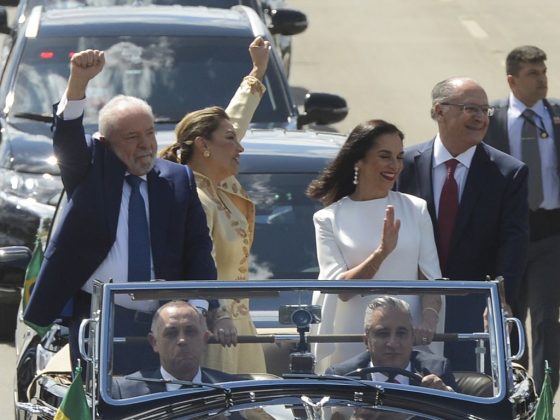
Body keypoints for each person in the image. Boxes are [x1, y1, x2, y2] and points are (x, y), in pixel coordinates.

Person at [22, 49, 230, 373]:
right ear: (106, 143)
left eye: (149, 132)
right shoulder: (90, 172)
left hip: (164, 325)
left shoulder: (178, 180)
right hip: (100, 321)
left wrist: (198, 307)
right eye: (132, 137)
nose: (146, 144)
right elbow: (67, 138)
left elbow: (198, 249)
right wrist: (78, 82)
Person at [395, 77, 529, 371]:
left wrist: (501, 301)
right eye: (471, 108)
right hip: (411, 308)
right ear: (439, 111)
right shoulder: (404, 165)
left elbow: (513, 243)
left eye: (485, 110)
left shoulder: (508, 173)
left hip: (473, 308)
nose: (481, 118)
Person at [158, 37, 271, 374]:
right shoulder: (191, 196)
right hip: (209, 332)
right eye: (230, 140)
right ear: (203, 146)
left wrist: (257, 73)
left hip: (240, 327)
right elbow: (193, 266)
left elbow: (232, 122)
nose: (240, 147)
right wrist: (217, 314)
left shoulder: (220, 186)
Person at [306, 119, 444, 371]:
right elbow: (341, 290)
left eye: (399, 157)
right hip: (351, 340)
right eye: (384, 156)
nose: (395, 166)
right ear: (359, 160)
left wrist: (428, 320)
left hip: (404, 340)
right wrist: (381, 253)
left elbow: (431, 280)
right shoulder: (328, 218)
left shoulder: (416, 209)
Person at [485, 45, 560, 395]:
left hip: (550, 234)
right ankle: (517, 388)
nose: (542, 79)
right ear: (512, 80)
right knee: (511, 317)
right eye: (533, 73)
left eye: (543, 71)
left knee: (547, 319)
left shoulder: (557, 116)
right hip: (509, 235)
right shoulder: (492, 120)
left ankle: (545, 394)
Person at [325, 296, 456, 392]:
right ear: (366, 340)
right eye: (383, 334)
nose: (393, 343)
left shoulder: (437, 370)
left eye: (401, 333)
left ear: (412, 338)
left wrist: (446, 398)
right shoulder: (342, 377)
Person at [112, 301, 237, 399]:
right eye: (171, 333)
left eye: (190, 332)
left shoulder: (233, 389)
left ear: (204, 339)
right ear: (154, 342)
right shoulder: (125, 393)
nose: (182, 340)